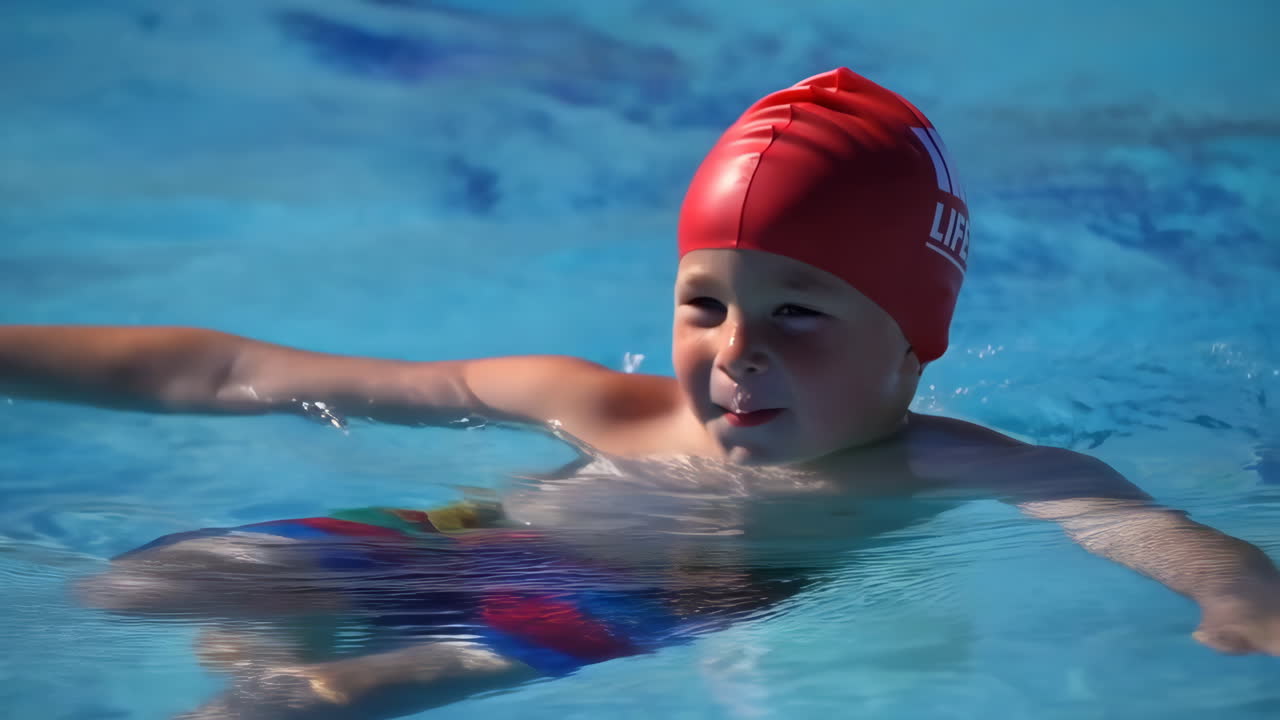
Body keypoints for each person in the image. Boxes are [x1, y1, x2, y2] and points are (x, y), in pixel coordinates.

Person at [2, 68, 1278, 718]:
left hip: (651, 599)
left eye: (797, 312)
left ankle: (293, 667)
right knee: (145, 582)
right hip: (467, 544)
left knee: (318, 702)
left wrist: (1236, 596)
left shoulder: (940, 463)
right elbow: (233, 372)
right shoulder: (597, 407)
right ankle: (283, 638)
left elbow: (1132, 523)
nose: (734, 351)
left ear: (914, 342)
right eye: (704, 303)